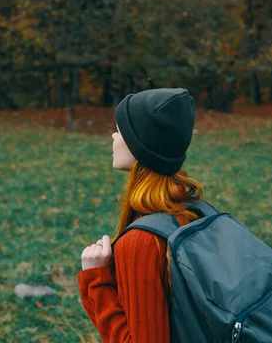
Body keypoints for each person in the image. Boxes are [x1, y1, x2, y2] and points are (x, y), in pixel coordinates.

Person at [77, 88, 204, 342]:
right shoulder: (191, 209)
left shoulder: (143, 242)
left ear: (141, 144)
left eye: (120, 129)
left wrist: (95, 279)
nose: (113, 135)